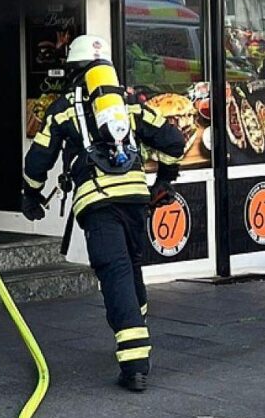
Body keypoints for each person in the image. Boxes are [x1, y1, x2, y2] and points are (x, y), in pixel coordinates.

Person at [20, 34, 185, 392]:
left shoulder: (64, 107)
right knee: (130, 267)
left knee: (114, 273)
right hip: (135, 200)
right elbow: (173, 141)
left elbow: (38, 160)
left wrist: (30, 197)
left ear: (74, 70)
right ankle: (137, 336)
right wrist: (164, 181)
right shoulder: (128, 102)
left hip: (97, 203)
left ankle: (135, 363)